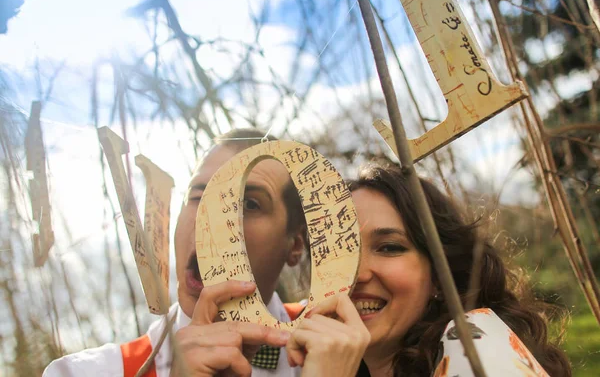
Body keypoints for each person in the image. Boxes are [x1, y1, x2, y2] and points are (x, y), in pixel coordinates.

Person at [44, 128, 308, 377]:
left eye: (249, 204)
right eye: (198, 197)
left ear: (295, 246)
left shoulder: (336, 341)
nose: (211, 220)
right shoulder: (84, 373)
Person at [285, 160, 571, 376]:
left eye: (389, 247)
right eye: (339, 252)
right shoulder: (310, 362)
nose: (357, 275)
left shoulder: (476, 344)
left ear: (438, 274)